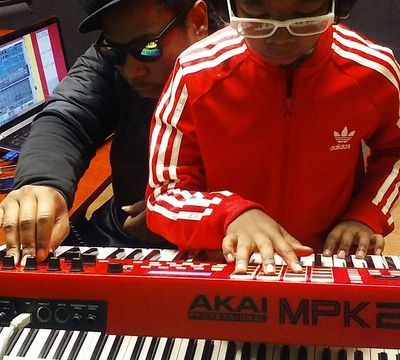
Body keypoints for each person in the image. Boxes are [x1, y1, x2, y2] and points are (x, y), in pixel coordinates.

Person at [146, 0, 400, 275]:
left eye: (303, 16)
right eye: (258, 15)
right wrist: (227, 215)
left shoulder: (373, 70)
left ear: (337, 6)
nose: (280, 37)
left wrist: (366, 214)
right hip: (226, 263)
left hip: (329, 262)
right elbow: (163, 195)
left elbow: (395, 152)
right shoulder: (195, 72)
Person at [0, 0, 226, 265]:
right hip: (126, 233)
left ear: (198, 21)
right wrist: (41, 182)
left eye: (148, 48)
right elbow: (69, 115)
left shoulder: (253, 60)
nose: (131, 71)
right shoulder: (123, 47)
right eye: (113, 51)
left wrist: (194, 211)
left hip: (225, 242)